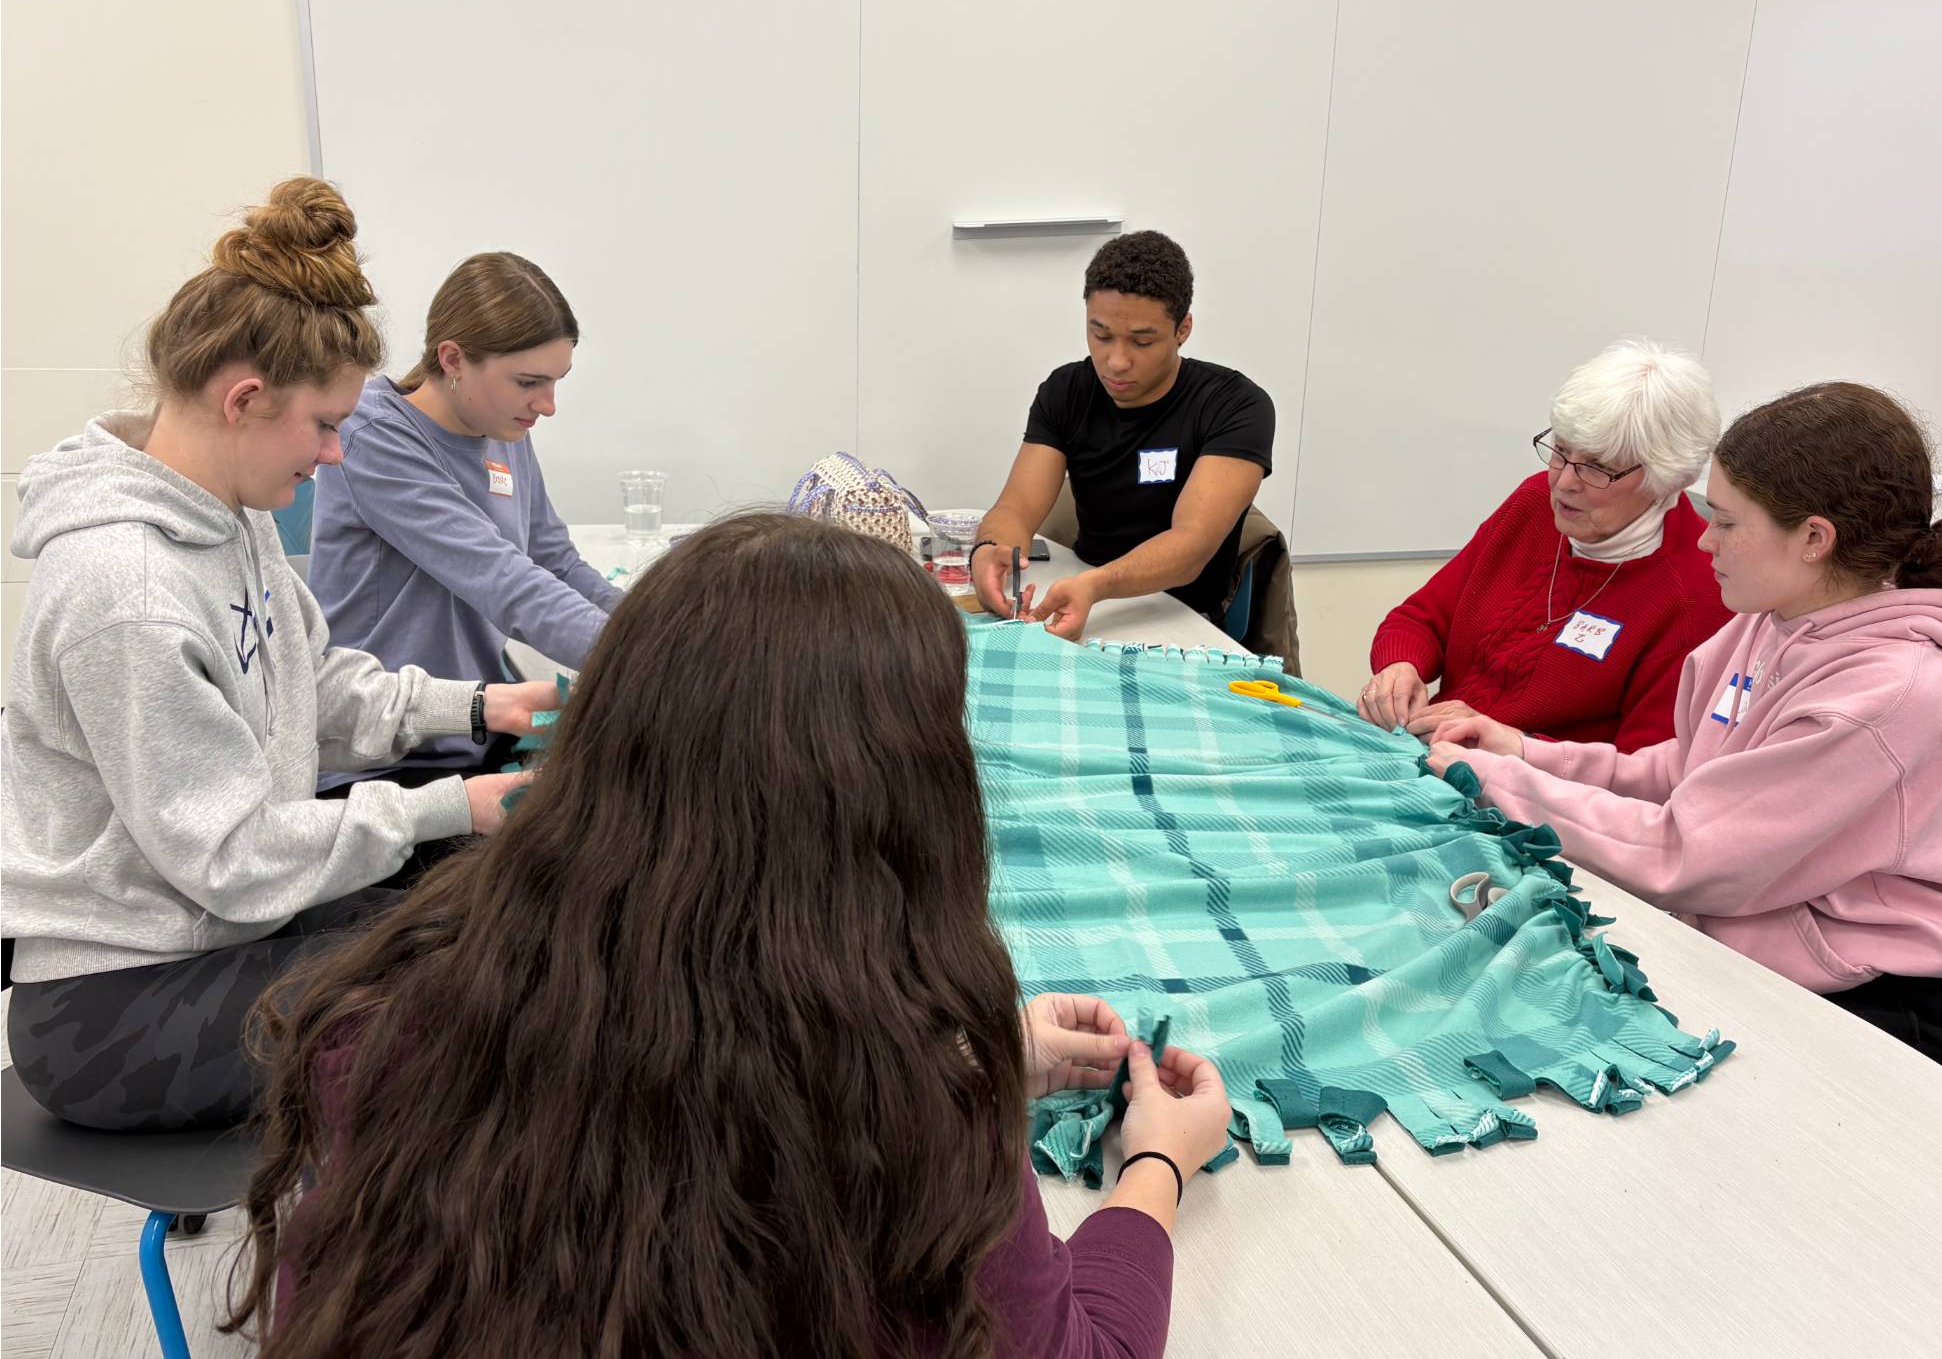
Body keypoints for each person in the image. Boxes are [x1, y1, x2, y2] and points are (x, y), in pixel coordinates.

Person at [225, 514, 1231, 1358]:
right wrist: (1154, 1165)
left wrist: (982, 1062)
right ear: (906, 805)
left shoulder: (390, 1023)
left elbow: (659, 1094)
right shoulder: (912, 1131)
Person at [0, 180, 554, 1132]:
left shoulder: (230, 516)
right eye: (327, 424)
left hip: (217, 937)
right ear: (246, 399)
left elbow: (313, 682)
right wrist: (450, 802)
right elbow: (233, 857)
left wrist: (480, 709)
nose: (337, 455)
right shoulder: (124, 594)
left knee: (492, 918)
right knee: (486, 1005)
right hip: (115, 1011)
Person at [1427, 383, 1942, 1089]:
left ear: (1815, 539)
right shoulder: (1771, 619)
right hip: (1758, 952)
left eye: (1726, 522)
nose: (1703, 540)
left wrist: (1501, 786)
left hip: (1875, 1004)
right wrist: (1522, 751)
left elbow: (1690, 851)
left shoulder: (1889, 693)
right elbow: (1694, 770)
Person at [309, 252, 619, 788]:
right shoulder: (373, 437)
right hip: (387, 762)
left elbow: (556, 564)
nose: (547, 405)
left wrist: (661, 622)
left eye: (556, 381)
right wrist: (653, 656)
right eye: (528, 382)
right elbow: (504, 580)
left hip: (476, 730)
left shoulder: (504, 430)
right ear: (452, 359)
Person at [1360, 339, 1730, 752]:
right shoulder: (1535, 503)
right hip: (1432, 756)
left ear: (1667, 478)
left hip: (1529, 803)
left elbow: (1643, 774)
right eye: (1561, 451)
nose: (1564, 482)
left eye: (1597, 467)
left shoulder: (1697, 596)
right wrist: (1401, 666)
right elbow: (1420, 618)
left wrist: (1513, 743)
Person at [970, 230, 1276, 641]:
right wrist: (989, 551)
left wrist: (1097, 586)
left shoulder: (1235, 406)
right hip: (1085, 594)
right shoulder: (1066, 392)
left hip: (1183, 617)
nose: (1115, 361)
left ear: (1183, 328)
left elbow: (1191, 545)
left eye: (1141, 341)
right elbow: (1016, 508)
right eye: (1101, 335)